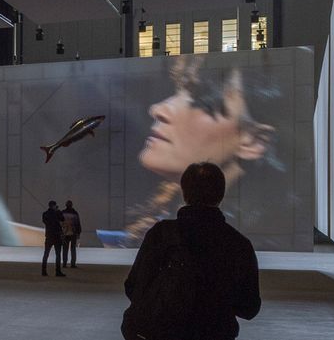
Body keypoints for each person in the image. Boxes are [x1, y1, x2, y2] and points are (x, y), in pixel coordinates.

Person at [107, 57, 281, 247]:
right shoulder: (157, 224)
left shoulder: (235, 246)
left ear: (253, 141)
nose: (157, 109)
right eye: (177, 91)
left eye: (200, 99)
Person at [122, 162, 261, 340]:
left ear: (184, 192)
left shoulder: (161, 234)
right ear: (221, 195)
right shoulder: (239, 244)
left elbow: (133, 287)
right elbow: (249, 308)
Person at [40, 200, 65, 277]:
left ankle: (43, 271)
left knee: (46, 254)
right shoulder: (57, 213)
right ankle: (58, 271)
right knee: (58, 255)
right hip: (57, 236)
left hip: (49, 236)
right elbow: (62, 219)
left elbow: (45, 221)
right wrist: (57, 211)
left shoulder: (45, 214)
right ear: (54, 206)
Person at [61, 200, 81, 268]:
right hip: (73, 233)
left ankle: (64, 263)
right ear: (72, 205)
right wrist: (78, 233)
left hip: (65, 233)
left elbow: (60, 223)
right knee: (73, 249)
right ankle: (72, 264)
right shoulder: (75, 213)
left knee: (65, 249)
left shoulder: (62, 213)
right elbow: (78, 224)